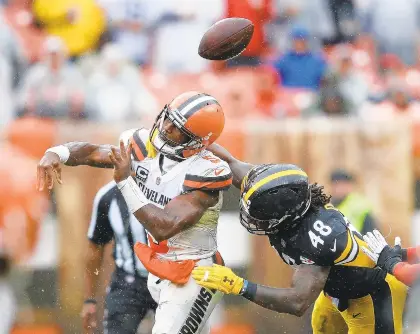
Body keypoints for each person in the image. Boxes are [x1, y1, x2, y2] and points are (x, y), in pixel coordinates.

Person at [37, 91, 232, 334]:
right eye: (169, 118)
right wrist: (58, 152)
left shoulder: (206, 171)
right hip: (155, 272)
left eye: (178, 128)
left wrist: (125, 182)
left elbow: (163, 228)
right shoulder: (142, 147)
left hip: (194, 274)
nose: (166, 128)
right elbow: (92, 152)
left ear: (195, 142)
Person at [191, 144, 408, 333]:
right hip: (336, 288)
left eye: (261, 214)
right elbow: (229, 161)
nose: (254, 218)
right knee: (321, 325)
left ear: (286, 216)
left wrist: (238, 285)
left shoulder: (317, 240)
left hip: (373, 295)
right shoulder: (285, 199)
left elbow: (298, 302)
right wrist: (193, 138)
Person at [82, 181, 157, 334]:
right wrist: (89, 299)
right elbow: (95, 248)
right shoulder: (108, 197)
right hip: (128, 282)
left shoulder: (168, 186)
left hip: (170, 280)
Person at [330, 169, 378, 235]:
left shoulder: (361, 206)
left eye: (343, 185)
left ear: (350, 186)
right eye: (336, 184)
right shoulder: (327, 206)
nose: (339, 189)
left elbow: (372, 231)